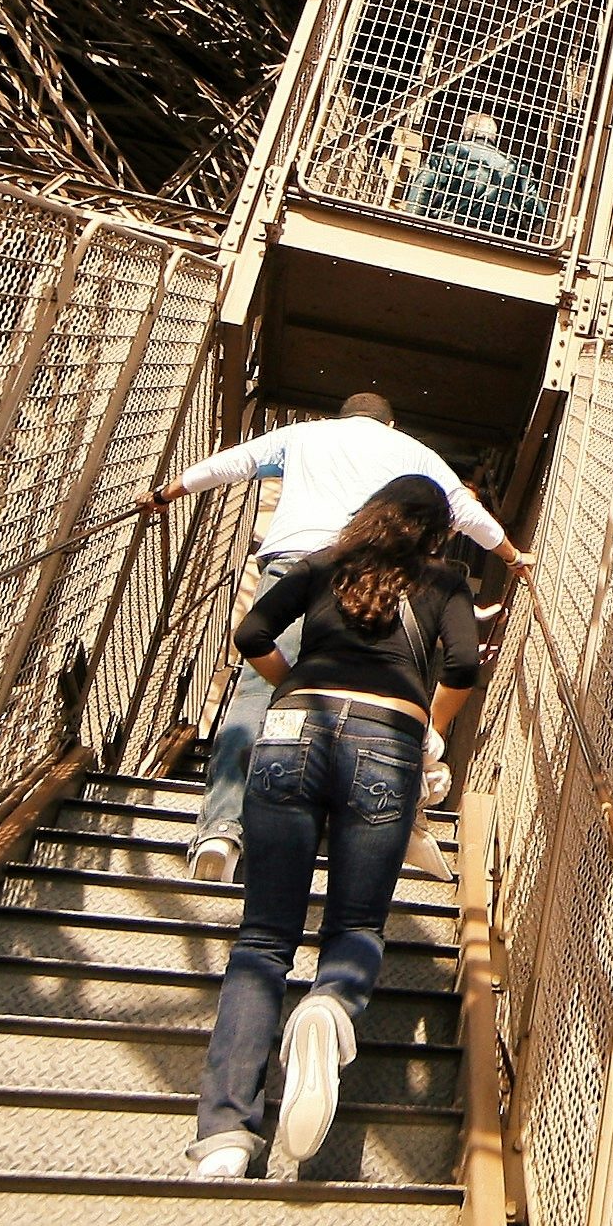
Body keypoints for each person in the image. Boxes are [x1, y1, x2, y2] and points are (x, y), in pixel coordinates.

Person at [188, 475, 474, 1178]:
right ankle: (331, 1005)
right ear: (436, 531)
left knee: (262, 938)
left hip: (294, 728)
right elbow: (463, 662)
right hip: (388, 739)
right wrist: (427, 729)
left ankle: (226, 1136)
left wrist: (290, 680)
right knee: (353, 928)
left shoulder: (323, 563)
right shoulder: (447, 578)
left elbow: (251, 630)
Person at [140, 392, 531, 881]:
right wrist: (513, 557)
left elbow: (229, 464)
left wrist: (165, 495)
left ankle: (221, 830)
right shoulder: (413, 451)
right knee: (366, 688)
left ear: (338, 417)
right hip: (371, 575)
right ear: (390, 424)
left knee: (255, 693)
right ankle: (359, 818)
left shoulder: (302, 435)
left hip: (293, 565)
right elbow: (466, 514)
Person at [401, 107, 543, 243]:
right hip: (492, 237)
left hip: (446, 228)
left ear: (465, 133)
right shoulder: (516, 169)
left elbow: (423, 186)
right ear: (494, 136)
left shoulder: (451, 152)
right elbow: (535, 211)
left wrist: (411, 227)